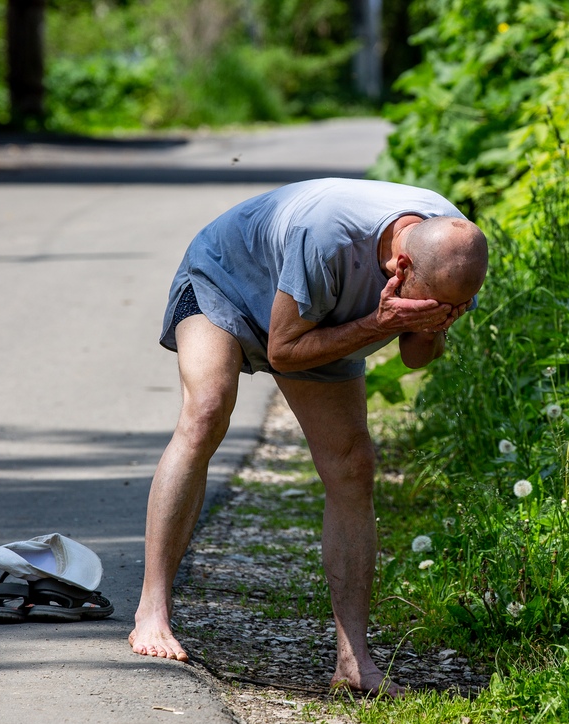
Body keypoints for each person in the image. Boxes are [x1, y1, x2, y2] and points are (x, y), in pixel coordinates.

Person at [129, 178, 488, 696]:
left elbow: (416, 355)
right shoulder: (326, 236)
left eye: (455, 306)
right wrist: (377, 321)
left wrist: (433, 322)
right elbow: (284, 351)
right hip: (226, 279)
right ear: (401, 267)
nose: (445, 309)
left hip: (321, 315)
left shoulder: (453, 253)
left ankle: (354, 661)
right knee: (207, 410)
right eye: (435, 302)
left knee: (353, 463)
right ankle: (152, 610)